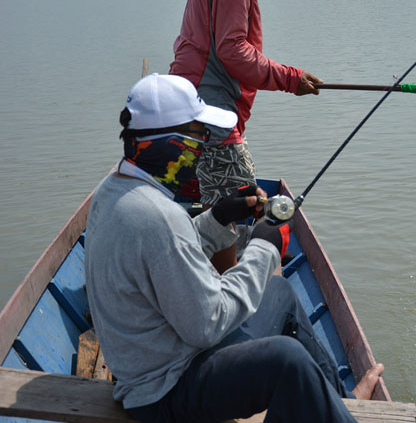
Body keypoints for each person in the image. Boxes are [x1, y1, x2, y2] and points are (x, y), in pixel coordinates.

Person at [84, 73, 383, 422]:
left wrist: (218, 217)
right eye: (200, 136)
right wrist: (264, 248)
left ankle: (336, 402)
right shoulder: (158, 216)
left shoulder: (115, 188)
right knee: (287, 361)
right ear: (170, 143)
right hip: (163, 392)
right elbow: (208, 323)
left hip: (159, 361)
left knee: (280, 291)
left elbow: (164, 254)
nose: (206, 146)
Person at [169, 0, 322, 273]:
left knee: (217, 206)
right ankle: (225, 298)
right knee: (236, 204)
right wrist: (291, 78)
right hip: (212, 111)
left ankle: (205, 279)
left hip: (189, 101)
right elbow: (234, 51)